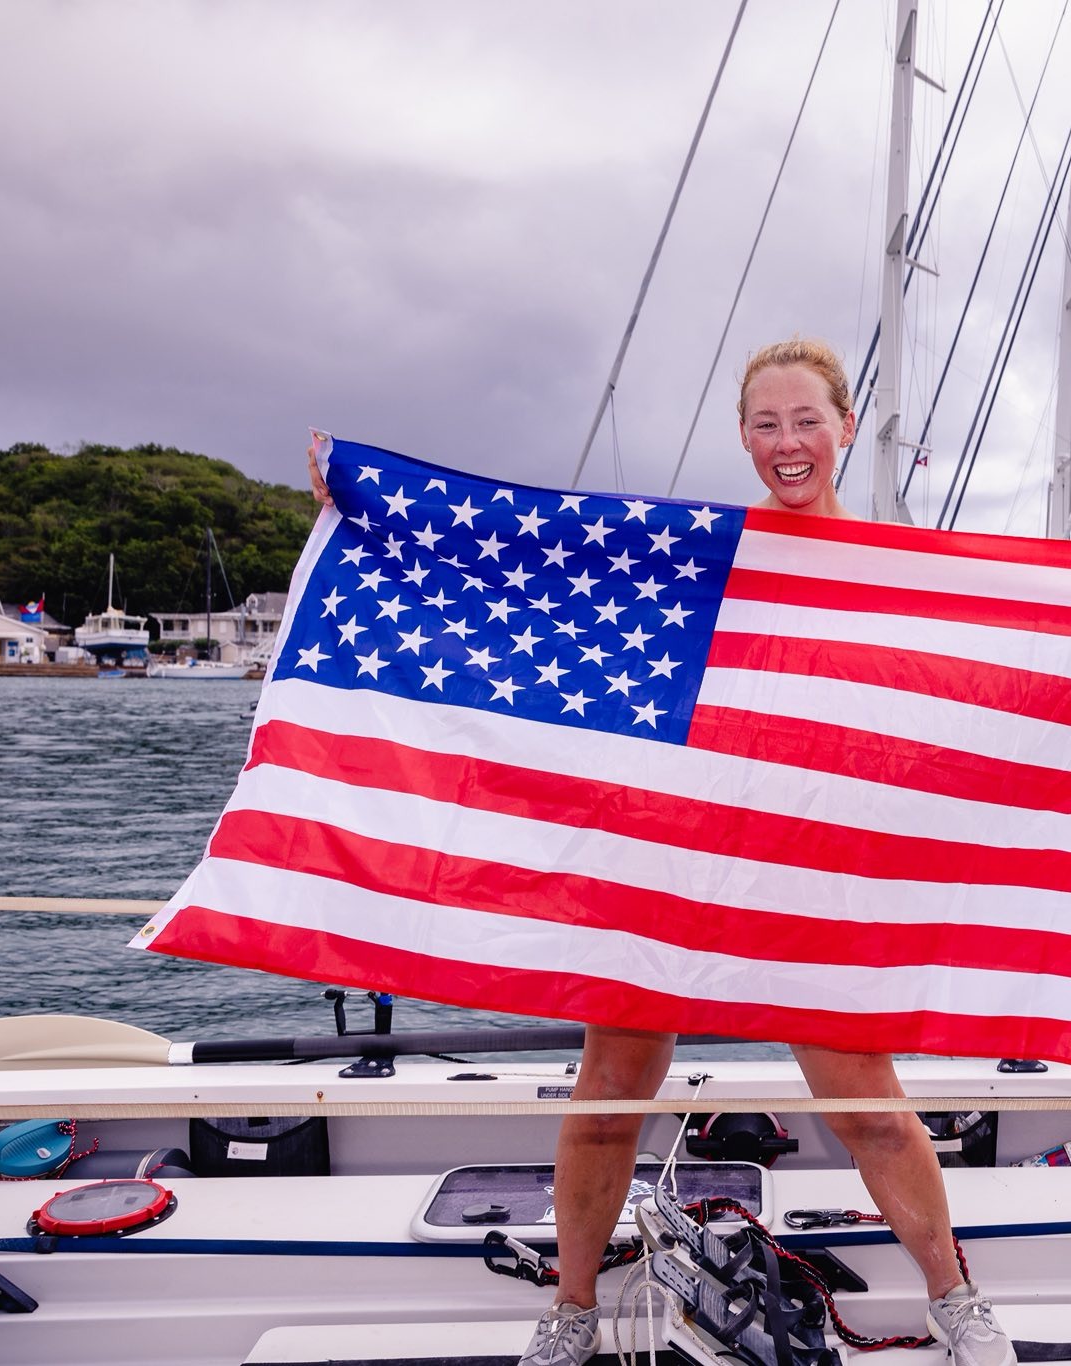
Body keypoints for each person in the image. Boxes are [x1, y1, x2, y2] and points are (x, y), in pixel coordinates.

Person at [307, 339, 1016, 1366]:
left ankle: (953, 1299)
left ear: (846, 427)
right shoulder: (702, 553)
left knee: (870, 1111)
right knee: (607, 1102)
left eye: (806, 420)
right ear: (742, 436)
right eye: (766, 424)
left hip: (803, 871)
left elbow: (992, 671)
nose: (787, 442)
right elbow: (528, 577)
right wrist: (371, 504)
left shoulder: (893, 569)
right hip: (672, 861)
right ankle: (573, 1308)